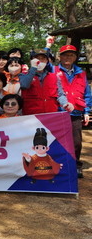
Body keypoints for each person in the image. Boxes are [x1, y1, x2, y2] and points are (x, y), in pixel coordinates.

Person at [54, 44, 92, 178]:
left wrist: (86, 111)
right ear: (60, 57)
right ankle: (58, 165)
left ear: (75, 57)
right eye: (65, 55)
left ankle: (75, 165)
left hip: (76, 112)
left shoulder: (81, 73)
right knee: (57, 141)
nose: (68, 57)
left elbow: (87, 93)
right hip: (58, 112)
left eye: (71, 55)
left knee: (76, 142)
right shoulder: (53, 71)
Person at [21, 49, 69, 115]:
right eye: (37, 58)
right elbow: (24, 85)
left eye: (43, 59)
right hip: (31, 117)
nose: (40, 61)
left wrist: (65, 103)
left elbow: (60, 94)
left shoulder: (54, 77)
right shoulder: (23, 76)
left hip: (50, 115)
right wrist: (33, 69)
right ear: (31, 61)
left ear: (47, 61)